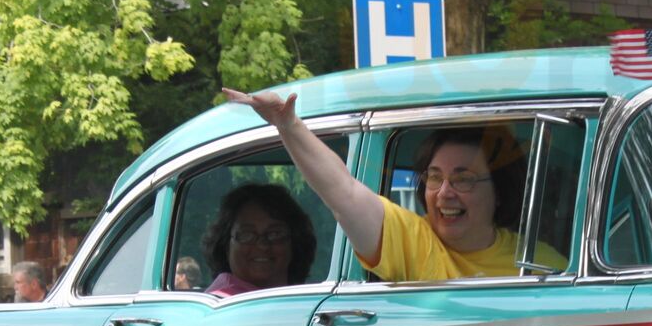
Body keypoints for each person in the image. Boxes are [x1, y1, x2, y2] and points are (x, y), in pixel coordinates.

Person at [222, 88, 564, 282]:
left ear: (499, 191)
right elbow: (344, 193)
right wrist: (288, 125)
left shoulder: (541, 261)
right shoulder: (415, 240)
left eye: (463, 179)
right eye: (434, 177)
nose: (444, 192)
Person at [200, 182, 318, 297]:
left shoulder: (311, 305)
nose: (262, 245)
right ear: (226, 246)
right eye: (247, 235)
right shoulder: (220, 306)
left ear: (295, 243)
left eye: (275, 234)